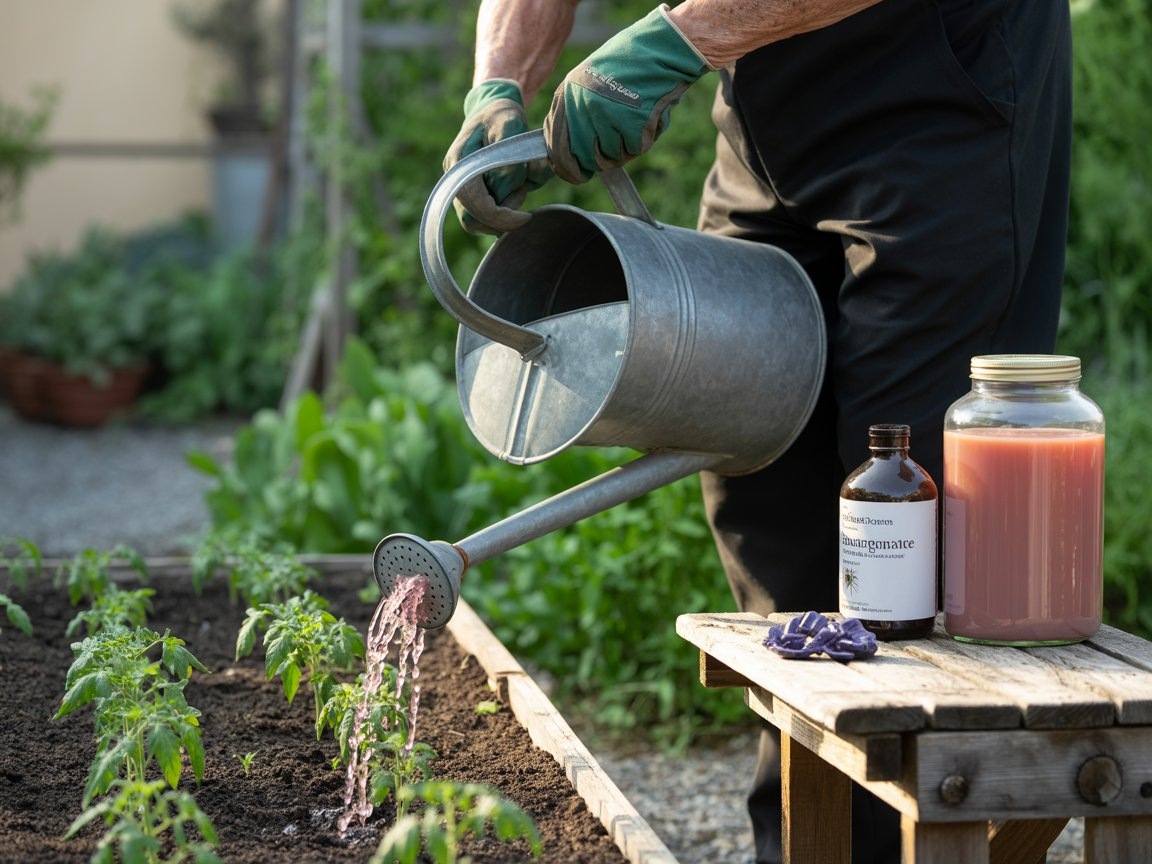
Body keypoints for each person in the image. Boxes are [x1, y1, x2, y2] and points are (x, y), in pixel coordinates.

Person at [443, 0, 1073, 861]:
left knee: (911, 514)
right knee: (756, 473)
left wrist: (676, 40)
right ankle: (815, 841)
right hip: (767, 101)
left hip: (938, 93)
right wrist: (498, 84)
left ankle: (956, 830)